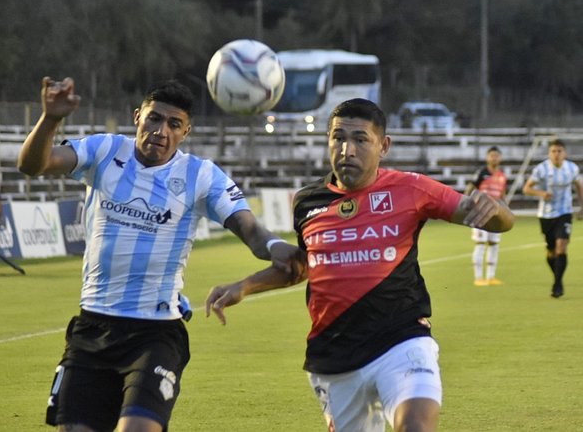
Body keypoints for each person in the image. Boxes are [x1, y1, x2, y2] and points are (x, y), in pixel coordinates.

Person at [205, 99, 514, 432]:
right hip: (334, 353)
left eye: (360, 139)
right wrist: (244, 287)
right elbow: (306, 265)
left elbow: (499, 221)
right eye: (338, 138)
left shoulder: (412, 188)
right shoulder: (308, 202)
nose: (346, 149)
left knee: (416, 426)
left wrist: (494, 210)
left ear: (384, 146)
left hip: (401, 341)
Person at [17, 77, 299, 432]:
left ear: (186, 131)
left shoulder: (200, 175)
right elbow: (32, 165)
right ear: (138, 117)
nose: (161, 131)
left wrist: (275, 247)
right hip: (93, 326)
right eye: (154, 118)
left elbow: (250, 229)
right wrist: (50, 118)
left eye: (174, 124)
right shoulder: (104, 151)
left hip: (156, 333)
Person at [523, 138, 583, 298]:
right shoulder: (541, 169)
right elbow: (527, 188)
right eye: (553, 151)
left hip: (564, 213)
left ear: (565, 153)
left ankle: (557, 284)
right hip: (546, 215)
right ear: (549, 153)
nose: (556, 154)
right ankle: (557, 279)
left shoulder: (572, 168)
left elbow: (579, 186)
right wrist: (541, 193)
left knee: (561, 246)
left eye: (559, 151)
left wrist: (582, 206)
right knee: (551, 251)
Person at [464, 146, 508, 286]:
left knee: (494, 244)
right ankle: (478, 277)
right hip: (481, 212)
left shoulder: (502, 175)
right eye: (491, 155)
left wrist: (505, 209)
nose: (494, 158)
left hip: (496, 214)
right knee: (481, 243)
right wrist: (466, 202)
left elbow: (502, 194)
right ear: (487, 158)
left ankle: (491, 276)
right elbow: (470, 188)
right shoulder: (482, 173)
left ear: (500, 158)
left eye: (496, 156)